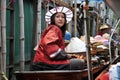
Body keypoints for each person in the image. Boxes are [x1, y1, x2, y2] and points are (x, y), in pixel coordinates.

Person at [31, 6, 84, 71]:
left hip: (43, 62)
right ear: (53, 19)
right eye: (57, 17)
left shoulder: (55, 29)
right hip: (45, 63)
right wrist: (66, 56)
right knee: (79, 63)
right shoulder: (54, 29)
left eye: (63, 17)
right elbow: (49, 45)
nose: (60, 19)